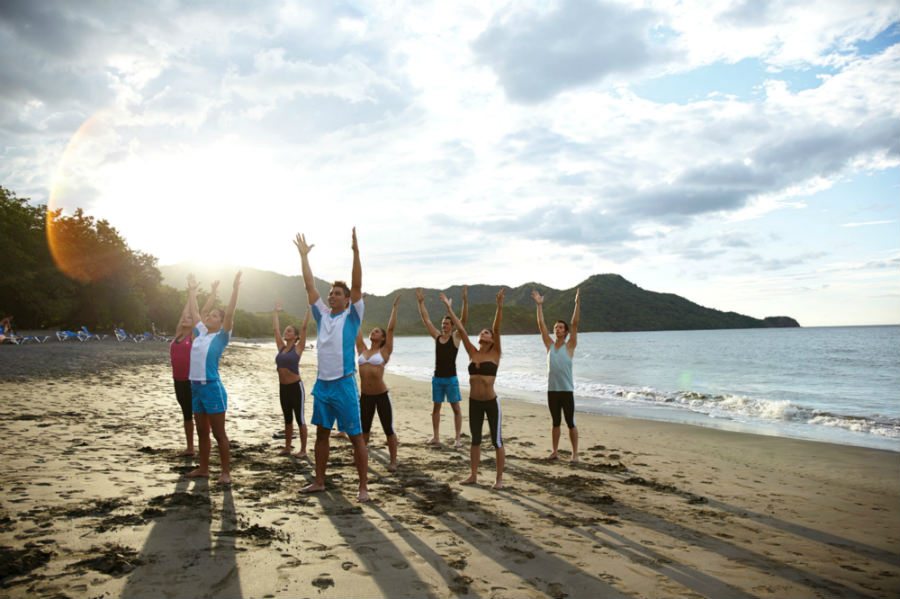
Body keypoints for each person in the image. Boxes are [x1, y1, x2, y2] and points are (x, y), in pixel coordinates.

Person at [295, 228, 369, 502]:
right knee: (322, 435)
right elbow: (309, 286)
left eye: (337, 293)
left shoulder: (352, 315)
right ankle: (319, 481)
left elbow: (358, 284)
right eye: (331, 293)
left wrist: (356, 253)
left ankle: (363, 487)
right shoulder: (322, 315)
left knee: (355, 437)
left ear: (347, 299)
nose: (332, 296)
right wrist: (304, 258)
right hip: (322, 385)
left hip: (345, 384)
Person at [440, 288, 505, 489]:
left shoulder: (495, 353)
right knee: (475, 439)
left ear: (492, 339)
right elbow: (460, 326)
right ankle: (474, 475)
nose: (484, 333)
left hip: (491, 402)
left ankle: (499, 479)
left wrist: (499, 306)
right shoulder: (472, 352)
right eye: (482, 332)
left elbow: (497, 326)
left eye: (487, 333)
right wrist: (450, 309)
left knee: (497, 441)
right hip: (474, 402)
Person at [185, 271, 242, 485]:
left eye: (215, 317)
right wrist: (192, 291)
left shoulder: (221, 337)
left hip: (212, 388)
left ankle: (226, 472)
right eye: (209, 316)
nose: (210, 318)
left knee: (219, 433)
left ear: (221, 322)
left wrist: (235, 289)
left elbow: (230, 314)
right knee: (202, 432)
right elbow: (195, 311)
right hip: (196, 388)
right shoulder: (201, 333)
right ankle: (204, 469)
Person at [169, 279, 219, 457]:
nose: (184, 319)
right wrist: (190, 292)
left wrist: (211, 294)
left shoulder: (195, 335)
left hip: (191, 382)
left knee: (198, 415)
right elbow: (186, 311)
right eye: (183, 318)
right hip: (178, 381)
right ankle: (190, 447)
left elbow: (200, 311)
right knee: (186, 415)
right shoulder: (178, 334)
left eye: (188, 318)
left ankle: (204, 445)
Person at [532, 289, 581, 462]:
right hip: (552, 391)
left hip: (566, 391)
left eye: (560, 327)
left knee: (570, 422)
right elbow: (541, 325)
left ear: (566, 332)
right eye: (556, 327)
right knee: (555, 422)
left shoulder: (570, 346)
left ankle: (575, 454)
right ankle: (555, 451)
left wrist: (577, 303)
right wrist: (539, 305)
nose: (557, 329)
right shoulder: (550, 346)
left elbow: (575, 323)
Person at [416, 286, 468, 447]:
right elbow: (427, 320)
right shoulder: (438, 337)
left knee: (456, 408)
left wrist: (464, 301)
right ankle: (436, 437)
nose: (444, 325)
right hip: (437, 379)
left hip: (451, 379)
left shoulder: (456, 337)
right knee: (436, 408)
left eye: (447, 323)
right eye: (443, 323)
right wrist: (421, 302)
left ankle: (458, 439)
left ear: (452, 325)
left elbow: (463, 321)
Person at [355, 294, 400, 471]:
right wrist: (358, 306)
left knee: (388, 428)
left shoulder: (385, 351)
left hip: (381, 396)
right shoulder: (362, 349)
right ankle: (361, 457)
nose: (373, 332)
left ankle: (393, 461)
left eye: (377, 331)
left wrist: (394, 309)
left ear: (382, 338)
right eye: (372, 331)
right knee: (364, 429)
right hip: (365, 396)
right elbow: (356, 327)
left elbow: (390, 330)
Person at [273, 301, 311, 457]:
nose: (285, 332)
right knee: (287, 418)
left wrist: (308, 310)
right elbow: (275, 329)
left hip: (296, 387)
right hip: (283, 388)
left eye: (289, 331)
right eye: (286, 330)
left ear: (295, 336)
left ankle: (302, 450)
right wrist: (275, 313)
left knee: (300, 419)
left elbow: (303, 328)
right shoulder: (281, 347)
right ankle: (288, 447)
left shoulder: (298, 348)